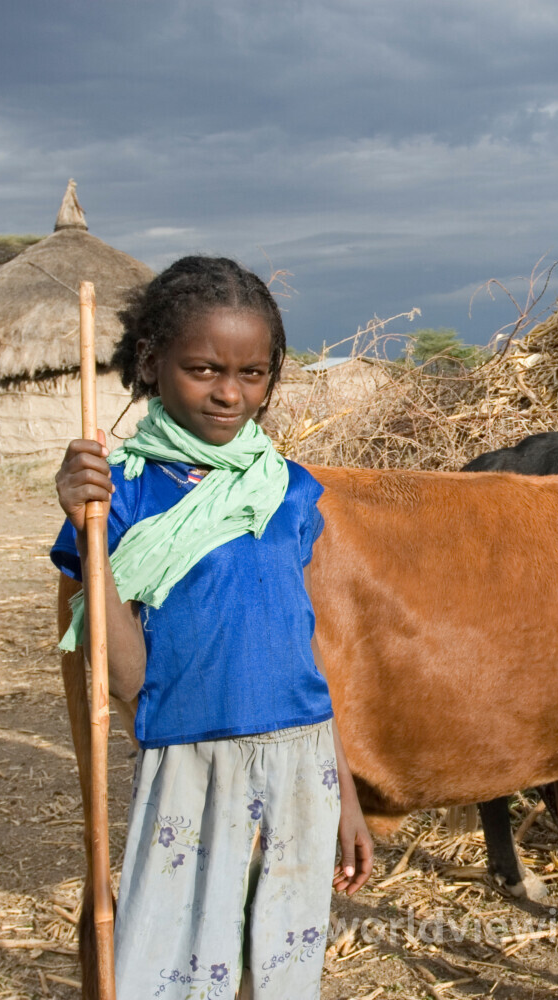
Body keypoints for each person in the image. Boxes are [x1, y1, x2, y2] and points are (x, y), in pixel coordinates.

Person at [52, 255, 373, 999]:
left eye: (254, 374)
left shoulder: (289, 492)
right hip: (188, 765)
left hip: (303, 764)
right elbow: (129, 677)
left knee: (284, 965)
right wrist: (88, 532)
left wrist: (346, 793)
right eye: (203, 370)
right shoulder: (120, 494)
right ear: (150, 362)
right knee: (169, 967)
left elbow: (303, 653)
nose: (231, 395)